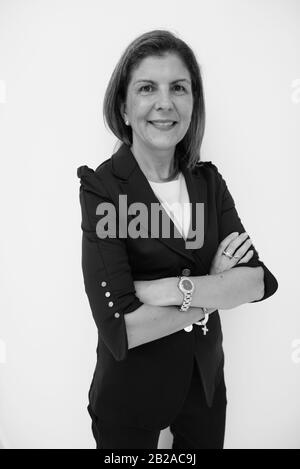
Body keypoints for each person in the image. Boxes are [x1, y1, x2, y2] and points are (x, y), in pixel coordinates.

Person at [77, 29, 278, 449]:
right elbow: (121, 328)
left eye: (179, 88)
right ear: (124, 106)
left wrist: (170, 289)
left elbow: (258, 282)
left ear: (193, 103)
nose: (165, 102)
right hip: (129, 403)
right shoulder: (103, 189)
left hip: (203, 395)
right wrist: (213, 288)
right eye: (147, 87)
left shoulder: (208, 182)